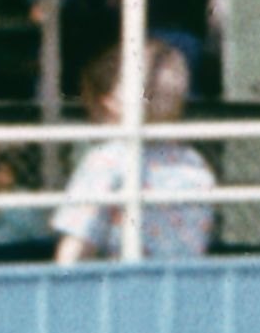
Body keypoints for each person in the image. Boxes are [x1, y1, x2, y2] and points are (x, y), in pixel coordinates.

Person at [51, 38, 217, 263]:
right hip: (162, 285)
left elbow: (77, 243)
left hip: (147, 286)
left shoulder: (110, 160)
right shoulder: (192, 162)